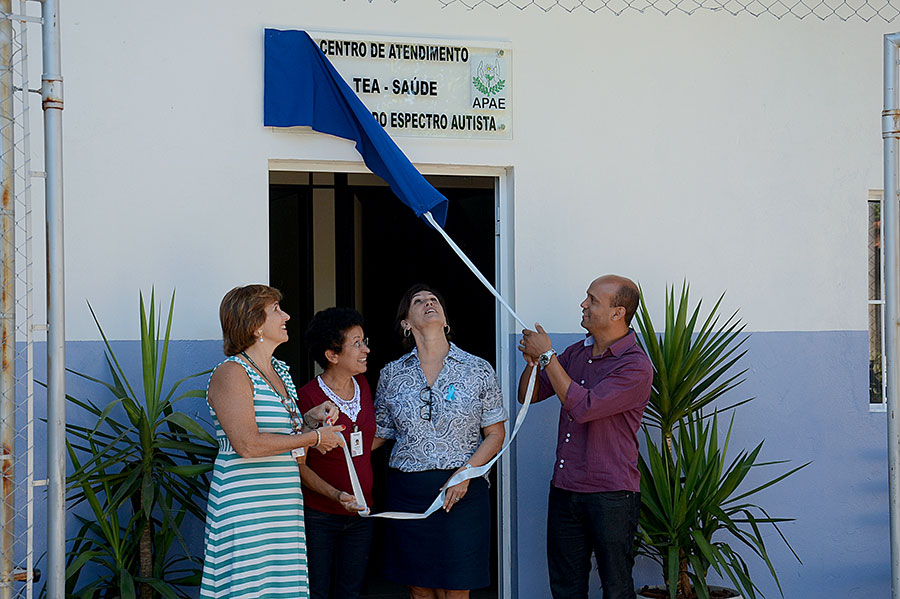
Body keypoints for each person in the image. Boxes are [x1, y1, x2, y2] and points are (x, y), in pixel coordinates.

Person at [200, 285, 346, 599]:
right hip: (246, 506)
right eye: (276, 309)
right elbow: (247, 445)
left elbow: (289, 442)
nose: (287, 316)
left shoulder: (280, 371)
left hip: (281, 505)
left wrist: (309, 420)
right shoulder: (231, 373)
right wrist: (315, 436)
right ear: (254, 325)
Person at [517, 274, 653, 599]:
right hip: (565, 490)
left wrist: (548, 357)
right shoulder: (578, 353)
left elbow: (585, 407)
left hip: (612, 496)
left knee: (616, 588)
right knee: (566, 587)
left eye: (592, 300)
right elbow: (528, 395)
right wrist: (535, 363)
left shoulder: (636, 366)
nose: (583, 305)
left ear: (618, 313)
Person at [375, 284, 507, 599]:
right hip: (408, 491)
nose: (428, 302)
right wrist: (327, 439)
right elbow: (379, 434)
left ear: (445, 319)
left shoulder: (478, 369)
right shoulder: (391, 374)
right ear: (406, 323)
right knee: (419, 589)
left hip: (463, 492)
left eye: (434, 299)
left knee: (455, 588)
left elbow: (496, 434)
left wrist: (465, 474)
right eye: (417, 301)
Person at [296, 307, 376, 599]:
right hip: (320, 516)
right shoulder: (306, 397)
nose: (365, 349)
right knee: (316, 591)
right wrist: (336, 495)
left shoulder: (364, 386)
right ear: (332, 355)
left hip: (361, 514)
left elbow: (364, 441)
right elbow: (299, 464)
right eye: (357, 343)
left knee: (351, 592)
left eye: (364, 341)